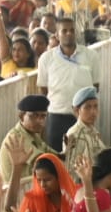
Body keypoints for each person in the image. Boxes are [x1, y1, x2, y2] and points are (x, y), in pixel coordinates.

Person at [37, 15, 99, 151]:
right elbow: (43, 89)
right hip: (56, 115)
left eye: (72, 30)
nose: (69, 34)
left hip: (83, 117)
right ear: (57, 35)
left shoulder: (90, 56)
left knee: (83, 155)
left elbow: (95, 87)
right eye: (64, 31)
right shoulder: (46, 58)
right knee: (56, 157)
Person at [63, 87, 104, 180]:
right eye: (87, 107)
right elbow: (72, 171)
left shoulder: (93, 131)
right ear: (77, 111)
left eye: (95, 106)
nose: (93, 112)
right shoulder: (75, 134)